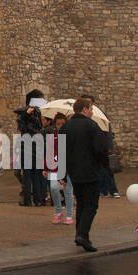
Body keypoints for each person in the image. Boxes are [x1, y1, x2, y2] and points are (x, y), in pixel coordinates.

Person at [62, 96, 108, 252]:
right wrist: (104, 166)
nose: (92, 112)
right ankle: (82, 234)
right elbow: (101, 150)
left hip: (74, 171)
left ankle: (81, 235)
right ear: (85, 109)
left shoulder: (66, 127)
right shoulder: (92, 126)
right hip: (90, 170)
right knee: (91, 205)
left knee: (81, 203)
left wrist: (62, 174)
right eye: (91, 109)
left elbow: (61, 152)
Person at [45, 113, 74, 225]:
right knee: (53, 188)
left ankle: (69, 215)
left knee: (68, 191)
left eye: (63, 123)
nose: (60, 126)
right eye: (58, 124)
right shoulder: (52, 137)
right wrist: (45, 167)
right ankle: (58, 211)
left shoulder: (71, 137)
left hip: (68, 167)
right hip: (54, 167)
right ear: (55, 125)